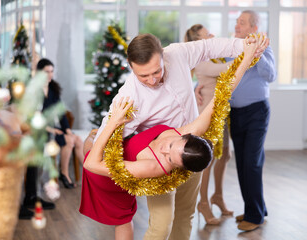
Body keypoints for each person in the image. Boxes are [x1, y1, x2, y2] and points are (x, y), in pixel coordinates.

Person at [81, 32, 269, 239]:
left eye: (156, 71)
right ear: (130, 65)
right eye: (143, 76)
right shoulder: (129, 97)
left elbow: (210, 50)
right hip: (158, 161)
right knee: (161, 226)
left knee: (185, 215)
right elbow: (102, 143)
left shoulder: (177, 54)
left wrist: (245, 46)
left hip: (190, 148)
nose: (152, 80)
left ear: (163, 55)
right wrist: (93, 142)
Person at [229, 10, 276, 231]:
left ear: (254, 29)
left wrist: (258, 55)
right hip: (235, 113)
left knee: (251, 162)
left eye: (242, 23)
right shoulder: (232, 48)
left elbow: (271, 76)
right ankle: (255, 209)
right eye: (237, 22)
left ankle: (255, 216)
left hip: (257, 111)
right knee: (243, 163)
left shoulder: (264, 48)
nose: (237, 26)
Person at [185, 24, 234, 225]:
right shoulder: (202, 61)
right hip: (209, 116)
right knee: (208, 161)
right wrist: (248, 54)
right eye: (208, 34)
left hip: (221, 114)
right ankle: (203, 203)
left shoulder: (213, 56)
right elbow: (229, 69)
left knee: (226, 155)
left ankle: (218, 197)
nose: (213, 35)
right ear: (199, 41)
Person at [37, 58, 84, 189]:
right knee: (69, 141)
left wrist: (68, 130)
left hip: (53, 128)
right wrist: (52, 130)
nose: (50, 74)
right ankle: (64, 174)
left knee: (77, 140)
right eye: (47, 72)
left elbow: (61, 113)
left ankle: (91, 175)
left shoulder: (53, 89)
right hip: (41, 131)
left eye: (52, 71)